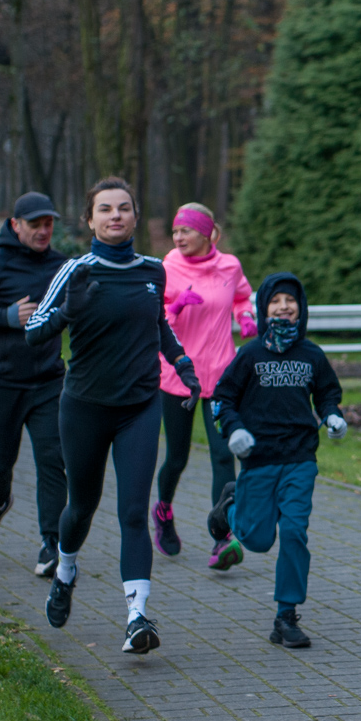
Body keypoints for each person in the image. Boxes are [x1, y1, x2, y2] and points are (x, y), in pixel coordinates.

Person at [26, 176, 201, 654]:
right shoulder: (75, 271)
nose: (115, 215)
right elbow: (35, 331)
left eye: (123, 208)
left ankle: (137, 617)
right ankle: (65, 572)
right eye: (105, 209)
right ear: (90, 220)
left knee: (132, 512)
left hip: (140, 407)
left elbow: (159, 325)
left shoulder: (153, 271)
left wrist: (183, 364)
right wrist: (68, 311)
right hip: (84, 408)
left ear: (136, 217)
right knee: (81, 507)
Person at [210, 272, 345, 648]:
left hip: (300, 459)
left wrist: (332, 415)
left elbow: (327, 393)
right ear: (263, 308)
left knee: (294, 532)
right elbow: (222, 398)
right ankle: (230, 507)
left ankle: (286, 615)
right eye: (275, 301)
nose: (284, 307)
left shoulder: (312, 355)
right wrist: (234, 429)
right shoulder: (250, 354)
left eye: (291, 301)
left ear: (301, 308)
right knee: (256, 539)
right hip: (259, 459)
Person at [152, 202, 256, 562]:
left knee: (223, 455)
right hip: (179, 376)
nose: (178, 237)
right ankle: (163, 511)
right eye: (175, 231)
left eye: (186, 230)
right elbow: (153, 317)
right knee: (177, 457)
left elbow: (241, 296)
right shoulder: (167, 267)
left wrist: (246, 316)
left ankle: (221, 535)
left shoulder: (230, 266)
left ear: (207, 233)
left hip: (221, 375)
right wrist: (176, 306)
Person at [0, 192, 69, 577]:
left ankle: (51, 543)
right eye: (35, 224)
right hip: (3, 382)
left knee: (53, 461)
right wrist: (7, 317)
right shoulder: (0, 260)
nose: (43, 230)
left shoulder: (60, 265)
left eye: (48, 223)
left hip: (48, 383)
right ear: (15, 225)